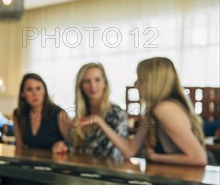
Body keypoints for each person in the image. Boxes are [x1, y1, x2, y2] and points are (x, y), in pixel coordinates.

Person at [79, 57, 207, 166]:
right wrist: (100, 122)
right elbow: (130, 150)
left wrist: (156, 157)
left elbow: (199, 158)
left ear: (152, 82)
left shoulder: (165, 109)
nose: (135, 84)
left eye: (140, 78)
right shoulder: (153, 111)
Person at [67, 63, 128, 159]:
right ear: (81, 85)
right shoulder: (81, 113)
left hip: (109, 171)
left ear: (105, 83)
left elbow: (100, 152)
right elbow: (74, 147)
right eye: (87, 81)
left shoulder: (115, 113)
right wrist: (63, 147)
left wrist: (98, 121)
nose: (92, 85)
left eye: (97, 80)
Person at [13, 73, 70, 153]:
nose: (35, 94)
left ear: (45, 91)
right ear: (23, 94)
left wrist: (63, 145)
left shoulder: (59, 114)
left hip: (55, 163)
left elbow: (72, 144)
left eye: (38, 88)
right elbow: (19, 147)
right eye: (29, 89)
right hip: (28, 163)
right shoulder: (18, 114)